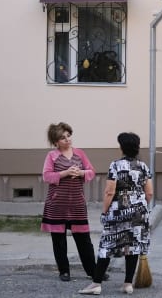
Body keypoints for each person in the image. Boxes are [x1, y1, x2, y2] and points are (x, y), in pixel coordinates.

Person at [79, 132, 153, 296]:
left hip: (118, 211)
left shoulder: (115, 165)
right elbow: (149, 193)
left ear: (122, 147)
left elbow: (109, 192)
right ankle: (128, 284)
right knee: (132, 247)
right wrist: (139, 207)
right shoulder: (143, 166)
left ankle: (96, 283)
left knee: (107, 245)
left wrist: (105, 211)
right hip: (139, 212)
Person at [41, 122, 107, 284]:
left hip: (77, 204)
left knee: (84, 239)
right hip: (57, 205)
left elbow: (91, 172)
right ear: (55, 141)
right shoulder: (52, 156)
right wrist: (65, 173)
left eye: (68, 136)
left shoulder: (80, 153)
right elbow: (46, 176)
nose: (67, 140)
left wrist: (81, 172)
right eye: (62, 138)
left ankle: (93, 271)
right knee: (59, 240)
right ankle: (64, 271)